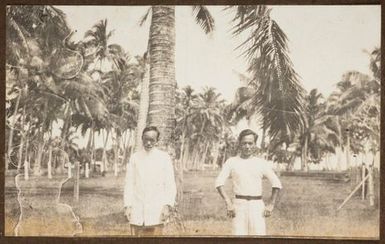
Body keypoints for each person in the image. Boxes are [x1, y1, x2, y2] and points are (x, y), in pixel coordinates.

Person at [215, 129, 282, 235]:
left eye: (250, 143)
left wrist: (271, 204)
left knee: (258, 237)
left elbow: (276, 183)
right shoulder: (231, 162)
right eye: (244, 143)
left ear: (255, 144)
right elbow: (219, 183)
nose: (247, 146)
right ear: (239, 144)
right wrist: (228, 203)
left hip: (257, 206)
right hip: (238, 205)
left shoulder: (260, 163)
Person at [123, 126, 177, 236]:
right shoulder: (135, 158)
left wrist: (167, 206)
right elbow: (129, 184)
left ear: (157, 140)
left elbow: (170, 184)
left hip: (156, 210)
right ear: (142, 138)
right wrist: (128, 206)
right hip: (137, 209)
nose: (148, 143)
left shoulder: (164, 158)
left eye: (152, 140)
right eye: (146, 139)